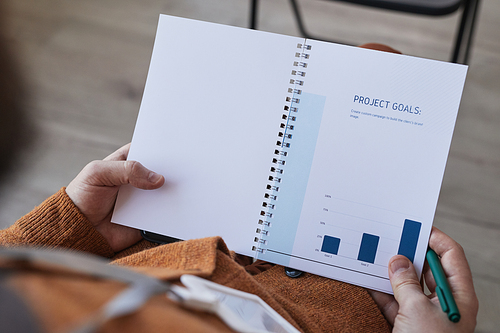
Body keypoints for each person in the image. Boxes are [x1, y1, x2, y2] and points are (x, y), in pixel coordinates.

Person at [0, 41, 478, 332]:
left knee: (370, 69)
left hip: (164, 251)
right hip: (338, 302)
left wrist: (72, 226)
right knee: (382, 66)